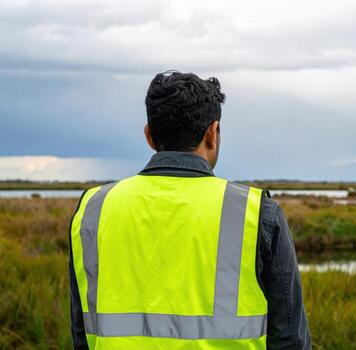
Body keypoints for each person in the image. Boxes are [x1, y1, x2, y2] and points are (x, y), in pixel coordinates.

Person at [68, 71, 311, 349]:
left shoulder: (93, 209)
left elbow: (81, 334)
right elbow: (291, 340)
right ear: (213, 132)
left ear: (149, 135)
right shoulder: (256, 213)